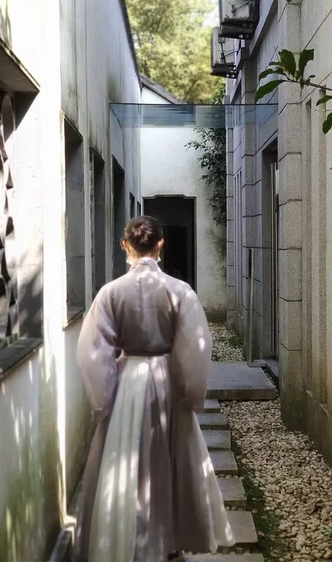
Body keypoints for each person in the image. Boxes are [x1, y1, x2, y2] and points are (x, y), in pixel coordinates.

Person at [73, 216, 234, 562]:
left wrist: (104, 397)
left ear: (125, 245)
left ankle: (123, 536)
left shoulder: (110, 293)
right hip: (166, 382)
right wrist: (191, 391)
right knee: (169, 459)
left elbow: (91, 350)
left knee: (123, 458)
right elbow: (195, 347)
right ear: (161, 244)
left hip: (127, 377)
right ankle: (169, 539)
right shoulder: (180, 292)